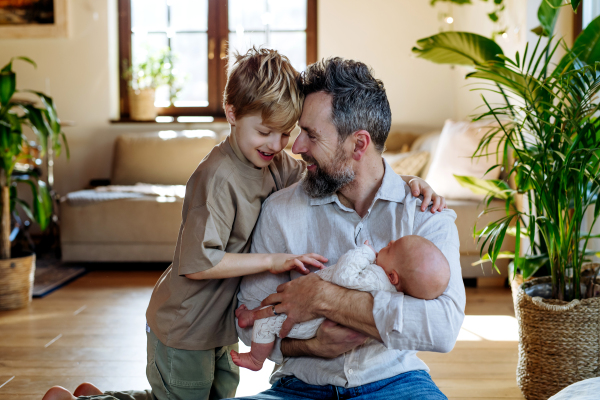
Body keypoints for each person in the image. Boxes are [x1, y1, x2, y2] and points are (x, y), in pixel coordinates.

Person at [41, 49, 445, 400]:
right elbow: (199, 263)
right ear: (232, 113)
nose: (285, 145)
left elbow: (341, 174)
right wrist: (273, 262)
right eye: (268, 132)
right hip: (186, 322)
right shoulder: (216, 176)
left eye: (291, 134)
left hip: (220, 324)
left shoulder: (276, 162)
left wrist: (404, 181)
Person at [234, 57, 466, 400]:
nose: (296, 147)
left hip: (398, 383)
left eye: (311, 135)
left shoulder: (426, 213)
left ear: (359, 144)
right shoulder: (280, 211)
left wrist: (322, 298)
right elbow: (250, 322)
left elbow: (442, 328)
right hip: (298, 388)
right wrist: (314, 346)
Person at [231, 235, 451, 371]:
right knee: (279, 307)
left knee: (271, 322)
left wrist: (363, 252)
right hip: (309, 309)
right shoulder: (390, 289)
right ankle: (251, 315)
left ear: (393, 277)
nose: (390, 242)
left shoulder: (377, 278)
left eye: (392, 248)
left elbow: (344, 276)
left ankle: (255, 359)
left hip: (314, 321)